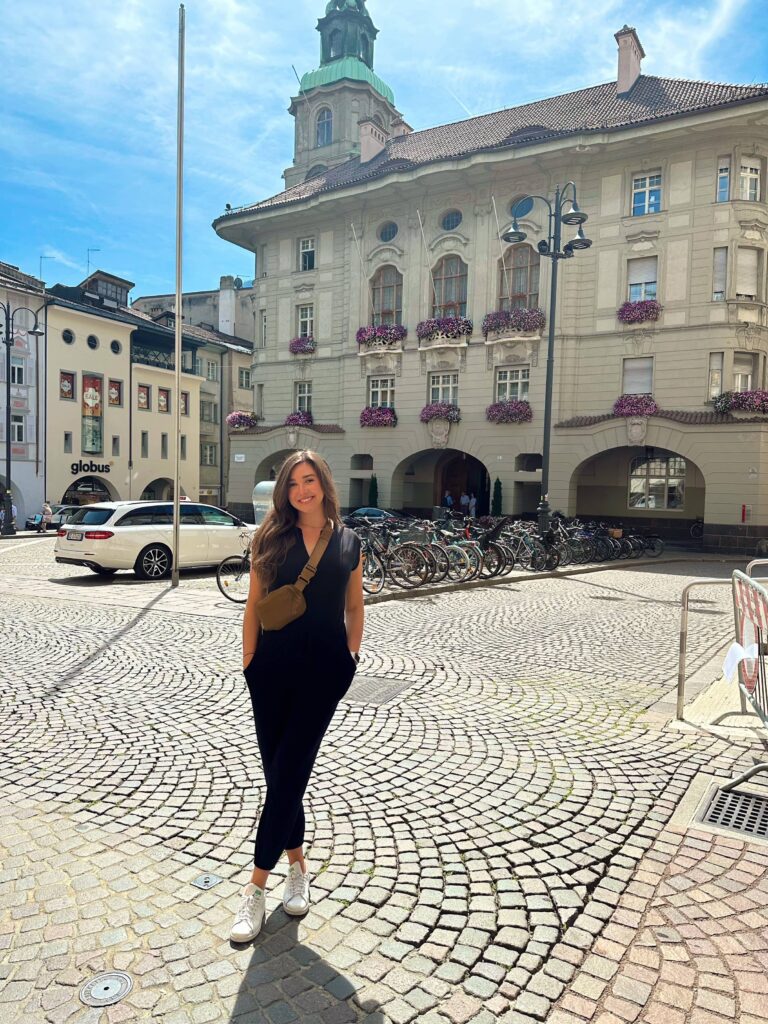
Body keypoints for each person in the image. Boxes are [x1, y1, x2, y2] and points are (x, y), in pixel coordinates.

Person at [231, 450, 364, 943]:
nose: (301, 491)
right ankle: (298, 867)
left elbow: (354, 606)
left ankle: (255, 889)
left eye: (309, 480)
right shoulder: (270, 536)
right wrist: (249, 663)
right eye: (292, 484)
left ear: (324, 483)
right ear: (284, 491)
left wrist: (349, 659)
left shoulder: (349, 542)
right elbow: (252, 605)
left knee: (289, 773)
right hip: (270, 671)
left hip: (323, 675)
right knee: (280, 775)